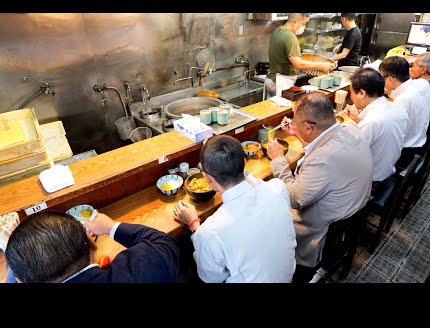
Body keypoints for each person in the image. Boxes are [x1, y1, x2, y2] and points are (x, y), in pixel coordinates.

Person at [266, 92, 373, 282]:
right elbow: (323, 146)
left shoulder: (322, 160)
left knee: (264, 217)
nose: (292, 122)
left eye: (295, 120)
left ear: (309, 126)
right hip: (353, 211)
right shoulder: (350, 127)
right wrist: (300, 134)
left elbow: (294, 198)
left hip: (321, 232)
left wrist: (278, 160)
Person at [173, 135, 297, 283]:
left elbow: (212, 279)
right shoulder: (277, 187)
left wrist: (194, 225)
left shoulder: (209, 232)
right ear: (244, 163)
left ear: (207, 178)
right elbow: (258, 185)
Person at [5, 210, 180, 283]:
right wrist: (111, 227)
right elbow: (161, 243)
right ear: (91, 243)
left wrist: (18, 263)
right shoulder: (146, 267)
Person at [345, 68, 408, 185]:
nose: (351, 97)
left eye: (351, 93)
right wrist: (359, 119)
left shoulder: (372, 122)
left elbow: (347, 155)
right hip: (388, 170)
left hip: (371, 181)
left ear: (362, 93)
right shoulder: (398, 109)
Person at [265, 13, 335, 98]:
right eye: (303, 23)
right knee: (283, 110)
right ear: (294, 22)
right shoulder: (290, 37)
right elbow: (298, 64)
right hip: (281, 82)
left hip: (271, 80)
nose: (304, 27)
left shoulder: (278, 30)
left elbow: (284, 54)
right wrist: (322, 65)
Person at [380, 56, 430, 169]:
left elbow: (391, 136)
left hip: (405, 153)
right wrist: (390, 92)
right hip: (420, 142)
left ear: (390, 79)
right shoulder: (423, 84)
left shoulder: (402, 100)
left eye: (382, 77)